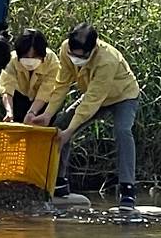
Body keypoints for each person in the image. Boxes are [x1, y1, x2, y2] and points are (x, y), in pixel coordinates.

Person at [29, 23, 140, 210]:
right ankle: (59, 181)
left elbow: (92, 100)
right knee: (59, 125)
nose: (76, 59)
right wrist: (48, 114)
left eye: (81, 57)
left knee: (122, 131)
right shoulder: (66, 49)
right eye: (74, 55)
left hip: (122, 96)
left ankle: (127, 189)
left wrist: (70, 131)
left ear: (93, 49)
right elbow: (61, 84)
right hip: (92, 95)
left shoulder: (107, 60)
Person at [0, 28, 60, 123]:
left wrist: (32, 112)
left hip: (43, 102)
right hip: (19, 98)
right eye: (26, 57)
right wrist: (9, 111)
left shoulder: (52, 62)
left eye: (35, 57)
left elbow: (46, 91)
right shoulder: (12, 60)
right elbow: (7, 87)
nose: (30, 61)